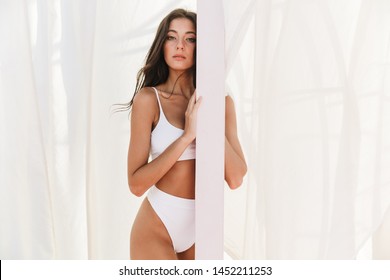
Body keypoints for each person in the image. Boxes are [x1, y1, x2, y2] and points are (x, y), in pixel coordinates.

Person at [126, 8, 247, 260]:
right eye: (172, 37)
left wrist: (210, 125)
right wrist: (186, 136)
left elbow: (235, 178)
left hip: (200, 231)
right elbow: (136, 185)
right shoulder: (149, 100)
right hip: (157, 226)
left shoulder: (222, 104)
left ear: (200, 46)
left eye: (190, 38)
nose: (180, 45)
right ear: (162, 44)